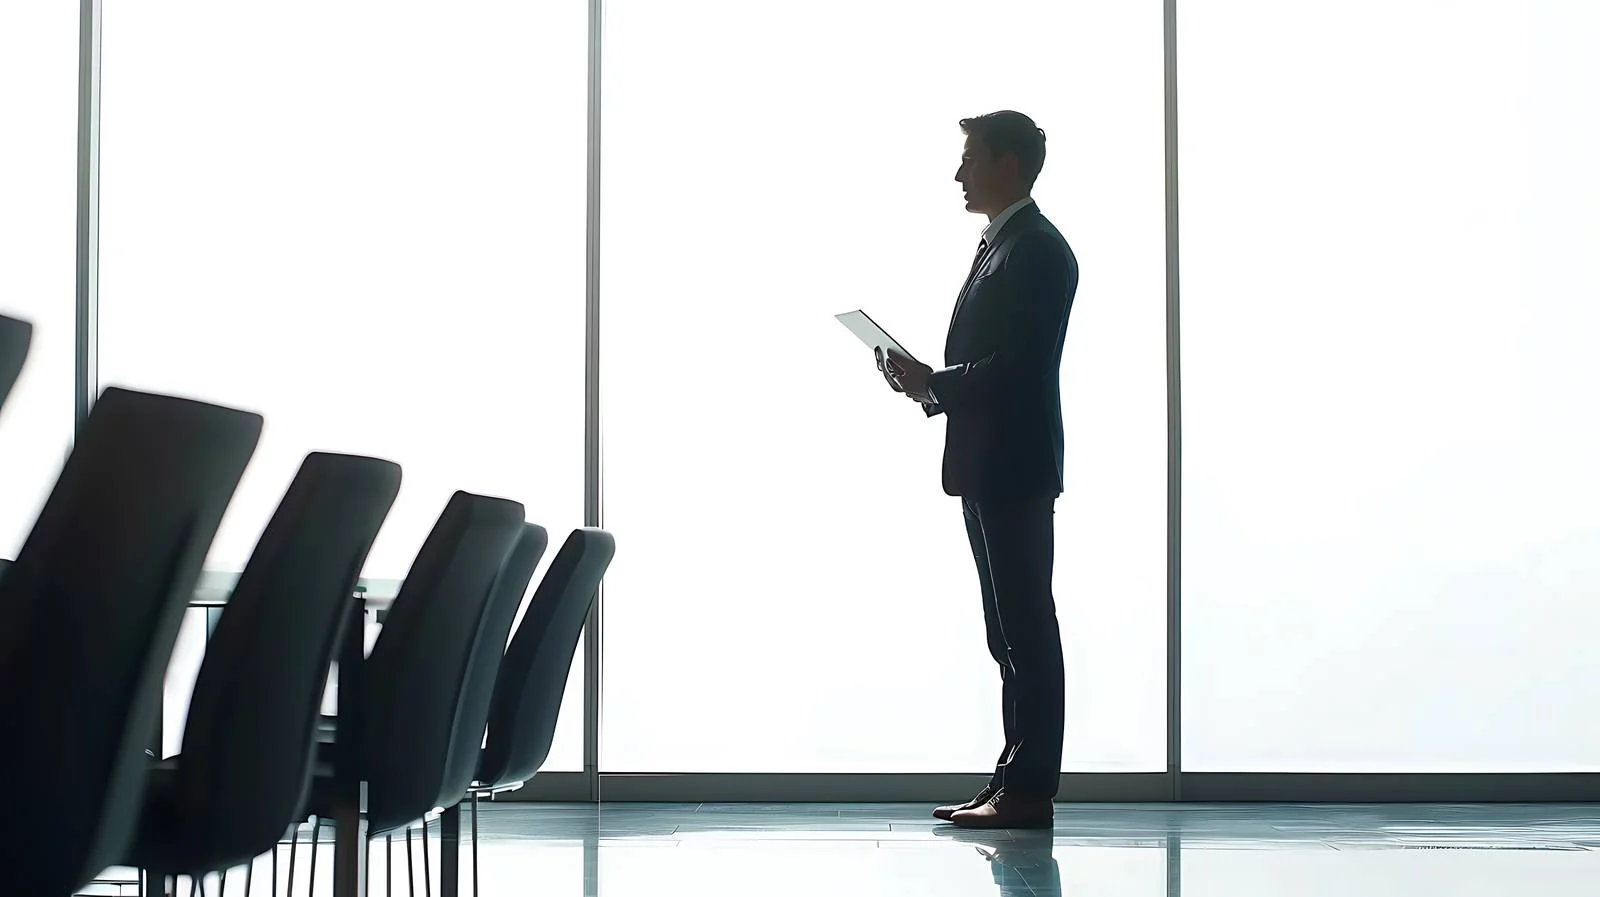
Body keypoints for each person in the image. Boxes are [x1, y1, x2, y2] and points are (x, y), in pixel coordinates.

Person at [878, 110, 1078, 830]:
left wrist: (940, 379)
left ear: (1007, 164)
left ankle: (1028, 792)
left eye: (969, 158)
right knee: (1007, 633)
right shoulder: (1003, 245)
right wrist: (927, 386)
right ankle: (1011, 780)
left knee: (1027, 627)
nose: (958, 173)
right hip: (988, 462)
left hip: (1015, 465)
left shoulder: (1041, 251)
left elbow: (1020, 370)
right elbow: (989, 364)